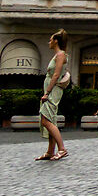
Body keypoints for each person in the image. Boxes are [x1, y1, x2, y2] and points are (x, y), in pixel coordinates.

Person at [37, 31, 70, 162]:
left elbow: (56, 75)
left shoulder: (61, 54)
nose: (49, 42)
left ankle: (62, 149)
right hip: (51, 89)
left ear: (56, 41)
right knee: (50, 119)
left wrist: (47, 92)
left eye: (50, 40)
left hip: (53, 90)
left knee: (46, 120)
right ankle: (50, 151)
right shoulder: (57, 55)